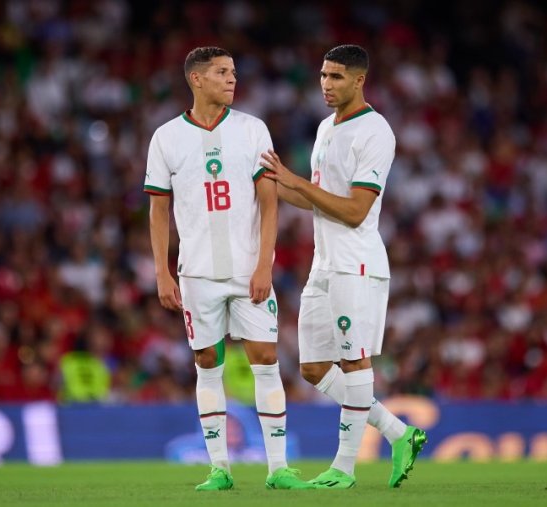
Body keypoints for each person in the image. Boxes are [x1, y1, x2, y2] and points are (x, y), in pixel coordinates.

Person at [145, 47, 313, 491]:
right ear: (196, 79)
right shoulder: (166, 137)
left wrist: (264, 265)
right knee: (207, 363)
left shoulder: (252, 129)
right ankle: (219, 468)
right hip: (196, 273)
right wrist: (162, 271)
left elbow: (269, 202)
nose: (232, 79)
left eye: (233, 72)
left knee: (266, 359)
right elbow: (158, 210)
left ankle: (278, 469)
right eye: (222, 72)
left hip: (247, 271)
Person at [260, 44, 427, 489]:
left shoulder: (375, 131)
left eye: (336, 77)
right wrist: (269, 183)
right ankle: (400, 433)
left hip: (357, 264)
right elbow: (316, 200)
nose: (326, 84)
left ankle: (344, 468)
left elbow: (354, 211)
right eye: (323, 75)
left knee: (355, 362)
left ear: (359, 80)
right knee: (314, 367)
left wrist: (296, 182)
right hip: (324, 264)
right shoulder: (324, 128)